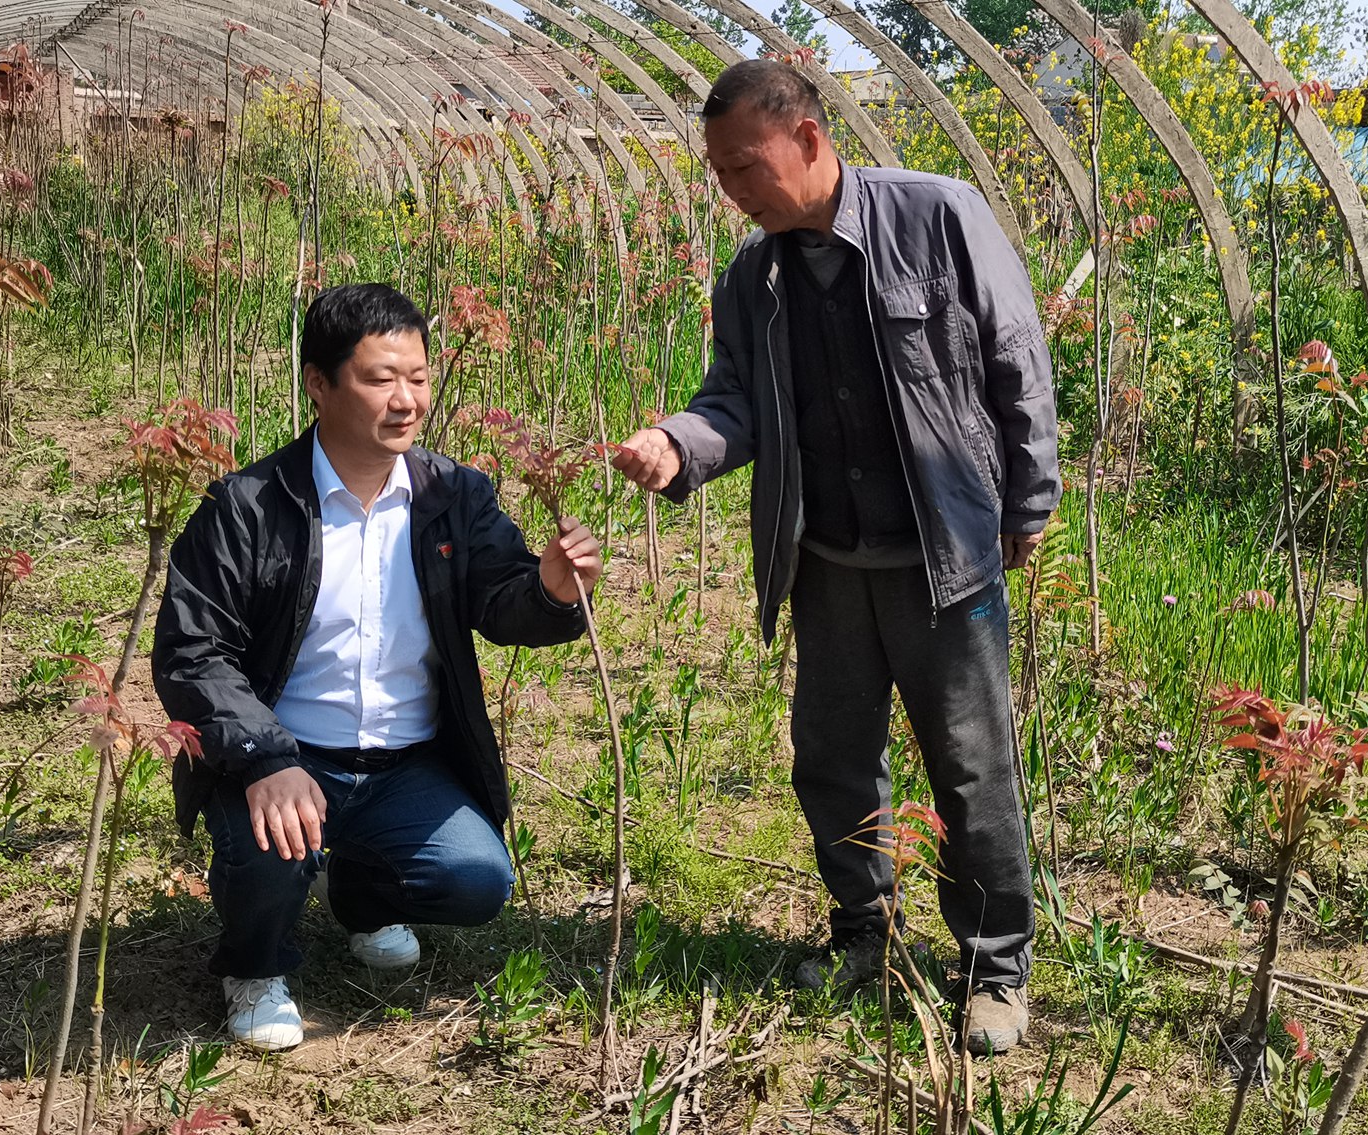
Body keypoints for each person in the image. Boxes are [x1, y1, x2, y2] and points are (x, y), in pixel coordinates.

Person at [611, 60, 1059, 1055]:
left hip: (944, 556)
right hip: (826, 560)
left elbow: (1016, 357)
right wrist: (678, 444)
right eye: (719, 172)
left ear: (808, 139)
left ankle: (994, 967)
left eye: (745, 165)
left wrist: (1029, 497)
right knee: (834, 759)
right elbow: (734, 400)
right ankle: (867, 934)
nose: (732, 188)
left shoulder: (937, 216)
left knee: (971, 769)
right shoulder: (754, 277)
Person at [153, 283, 601, 1051]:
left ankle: (355, 892)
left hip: (405, 765)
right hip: (286, 755)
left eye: (419, 378)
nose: (406, 400)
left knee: (477, 877)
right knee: (270, 845)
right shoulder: (248, 507)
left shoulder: (453, 496)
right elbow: (193, 651)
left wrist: (551, 590)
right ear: (318, 384)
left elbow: (502, 602)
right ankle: (255, 964)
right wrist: (264, 757)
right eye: (380, 378)